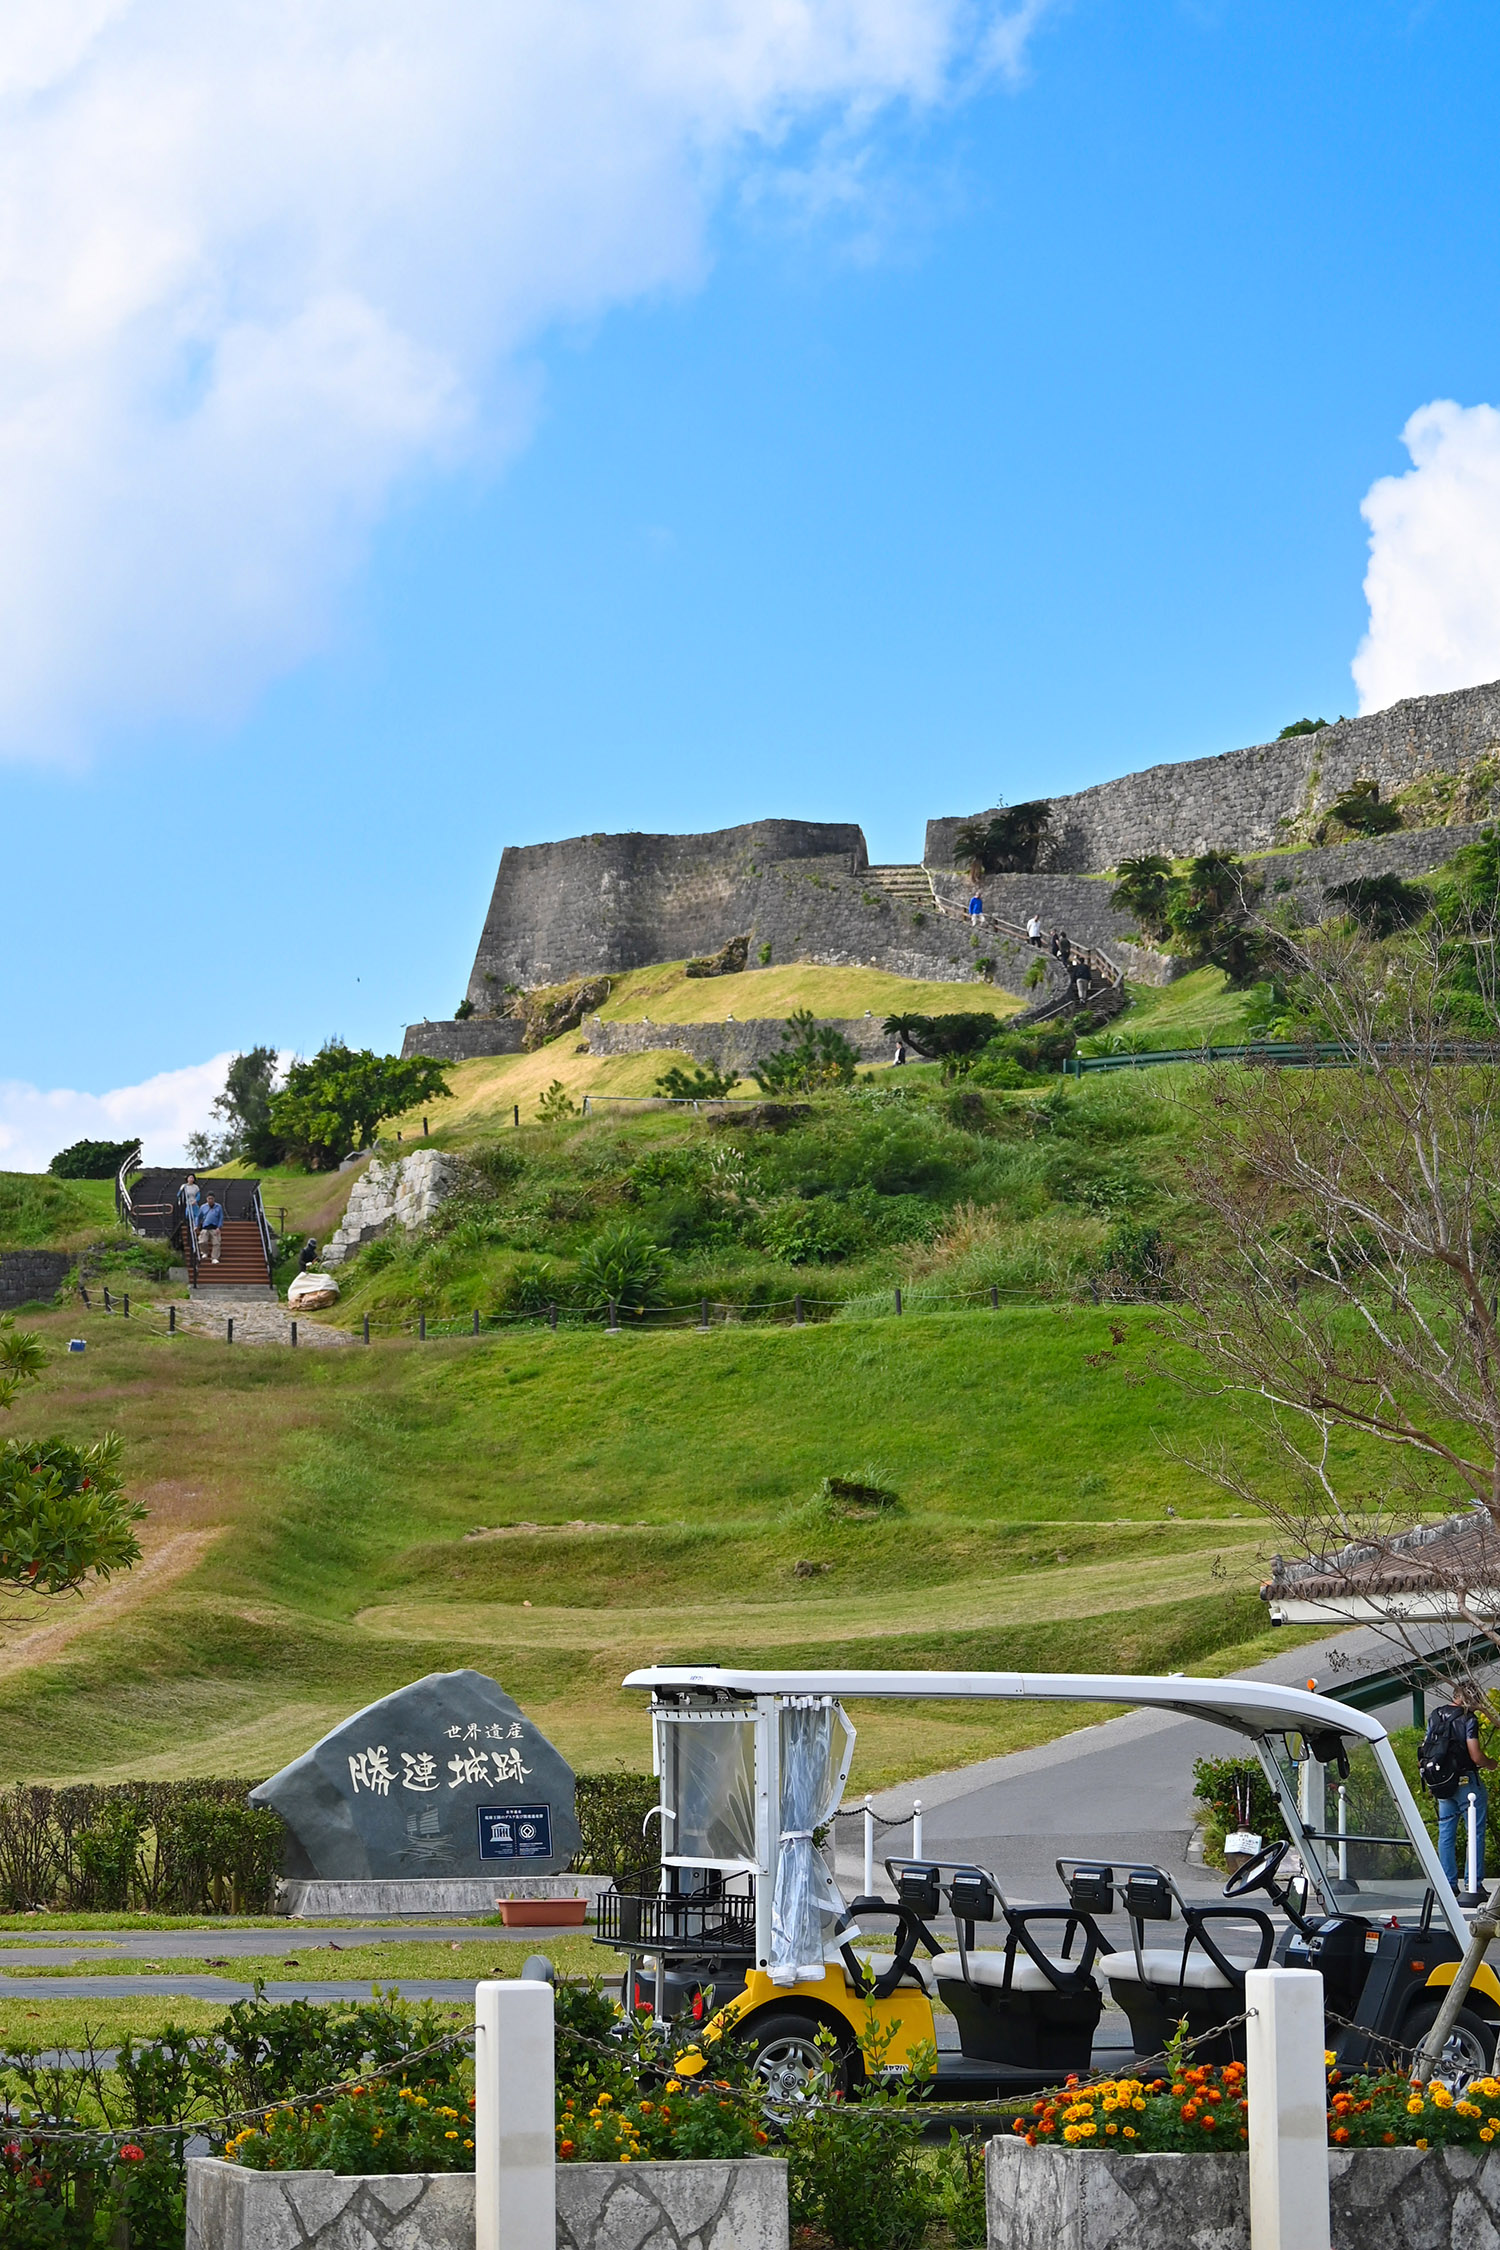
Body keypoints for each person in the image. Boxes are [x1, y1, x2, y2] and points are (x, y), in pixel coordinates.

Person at [1426, 1685, 1495, 1890]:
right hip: (1466, 1780)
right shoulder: (1468, 1719)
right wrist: (1490, 1763)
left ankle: (1448, 1883)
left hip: (1443, 1780)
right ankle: (1473, 1882)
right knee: (1474, 1832)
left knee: (1446, 1832)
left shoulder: (1436, 1715)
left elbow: (1427, 1746)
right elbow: (1475, 1755)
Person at [196, 1192, 225, 1266]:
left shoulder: (218, 1207)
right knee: (202, 1241)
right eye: (209, 1199)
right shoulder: (203, 1207)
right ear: (206, 1199)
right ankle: (205, 1252)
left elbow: (221, 1217)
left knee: (216, 1243)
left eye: (212, 1199)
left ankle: (214, 1257)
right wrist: (196, 1225)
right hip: (205, 1227)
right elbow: (198, 1217)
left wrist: (219, 1227)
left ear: (214, 1199)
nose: (210, 1200)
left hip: (214, 1227)